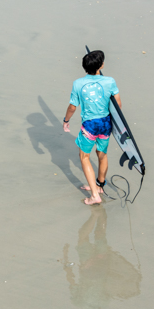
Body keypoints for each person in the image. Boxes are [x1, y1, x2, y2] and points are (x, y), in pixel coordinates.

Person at [62, 50, 122, 205]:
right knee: (102, 154)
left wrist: (66, 120)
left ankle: (95, 196)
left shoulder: (78, 83)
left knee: (84, 157)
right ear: (101, 66)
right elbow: (118, 105)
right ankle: (100, 186)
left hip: (89, 126)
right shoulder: (109, 81)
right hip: (105, 124)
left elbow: (72, 107)